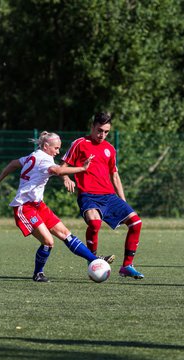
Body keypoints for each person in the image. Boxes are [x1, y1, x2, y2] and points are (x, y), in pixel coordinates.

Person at [0, 131, 102, 282]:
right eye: (56, 148)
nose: (58, 151)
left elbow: (13, 163)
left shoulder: (34, 155)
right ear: (46, 146)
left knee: (65, 233)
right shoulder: (44, 159)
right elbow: (57, 170)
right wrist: (82, 169)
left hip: (38, 205)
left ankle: (95, 260)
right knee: (48, 242)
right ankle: (38, 274)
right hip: (24, 207)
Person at [61, 112, 144, 279]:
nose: (102, 135)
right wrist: (65, 177)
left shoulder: (109, 149)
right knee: (94, 223)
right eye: (99, 130)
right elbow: (62, 166)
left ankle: (127, 266)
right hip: (88, 195)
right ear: (92, 127)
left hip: (109, 196)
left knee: (136, 223)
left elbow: (114, 175)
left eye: (106, 132)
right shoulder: (79, 144)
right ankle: (92, 260)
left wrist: (123, 201)